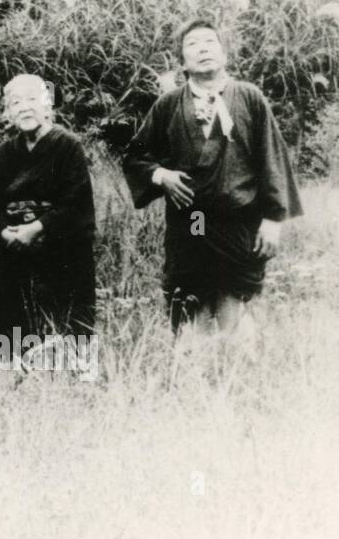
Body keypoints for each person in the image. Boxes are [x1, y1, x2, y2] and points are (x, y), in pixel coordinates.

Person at [122, 18, 302, 336]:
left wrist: (273, 221)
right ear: (182, 61)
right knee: (193, 320)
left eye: (210, 41)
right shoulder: (168, 105)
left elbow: (272, 159)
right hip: (189, 225)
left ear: (224, 54)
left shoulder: (249, 97)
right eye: (192, 44)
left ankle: (236, 365)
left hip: (238, 225)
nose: (202, 49)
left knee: (236, 317)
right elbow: (135, 156)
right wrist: (161, 175)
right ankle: (196, 365)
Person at [0, 74, 97, 366]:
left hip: (58, 245)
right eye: (15, 103)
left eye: (32, 99)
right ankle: (10, 366)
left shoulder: (68, 146)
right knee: (6, 292)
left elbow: (75, 203)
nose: (24, 107)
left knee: (66, 317)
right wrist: (5, 233)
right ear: (8, 113)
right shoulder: (4, 154)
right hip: (14, 245)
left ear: (47, 106)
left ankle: (70, 368)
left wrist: (35, 229)